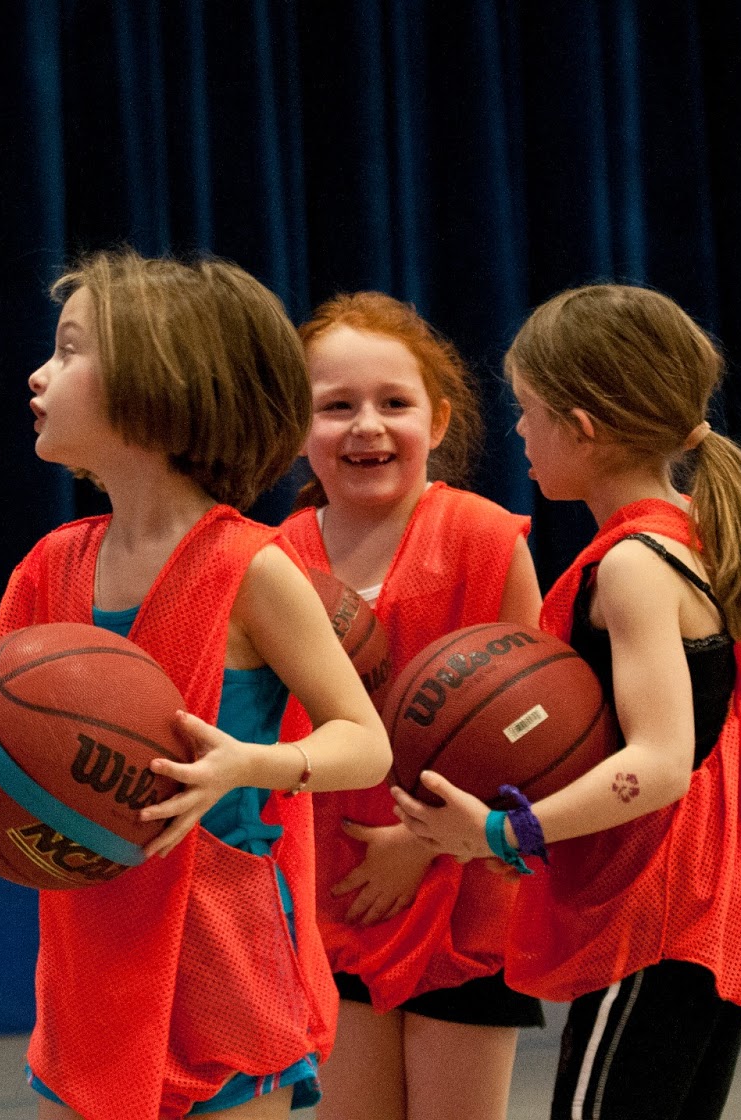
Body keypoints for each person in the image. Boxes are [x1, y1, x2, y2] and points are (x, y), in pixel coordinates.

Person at [391, 284, 741, 1120]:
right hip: (705, 912)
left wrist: (500, 832)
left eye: (528, 410)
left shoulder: (634, 566)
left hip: (658, 921)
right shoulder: (697, 530)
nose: (519, 431)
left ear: (581, 426)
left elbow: (659, 766)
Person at [0, 249, 391, 1120]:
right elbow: (8, 758)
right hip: (87, 957)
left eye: (69, 351)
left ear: (159, 379)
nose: (40, 373)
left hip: (226, 959)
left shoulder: (250, 568)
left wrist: (246, 764)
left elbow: (364, 745)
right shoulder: (46, 571)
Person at [279, 293, 544, 1120]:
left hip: (461, 887)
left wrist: (424, 842)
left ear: (439, 419)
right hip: (328, 890)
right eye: (337, 407)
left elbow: (531, 728)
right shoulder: (272, 558)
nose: (368, 426)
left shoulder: (483, 536)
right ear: (296, 427)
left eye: (395, 403)